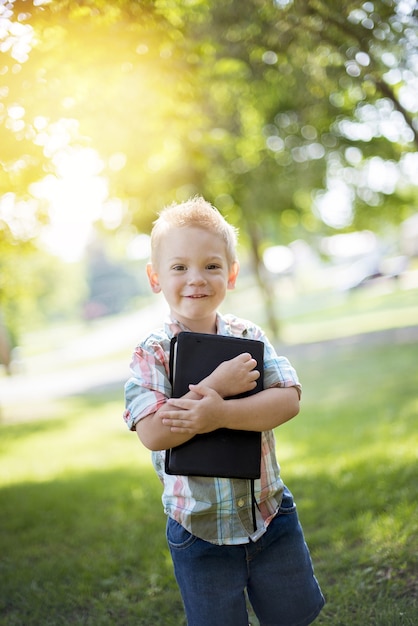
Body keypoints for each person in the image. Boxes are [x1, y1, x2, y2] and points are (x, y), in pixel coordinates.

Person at [123, 196, 325, 626]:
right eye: (179, 267)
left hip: (269, 514)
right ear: (155, 277)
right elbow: (155, 434)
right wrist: (215, 388)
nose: (196, 278)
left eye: (211, 265)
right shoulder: (152, 352)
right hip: (198, 529)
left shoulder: (248, 336)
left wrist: (220, 416)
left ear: (231, 274)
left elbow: (288, 399)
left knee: (294, 616)